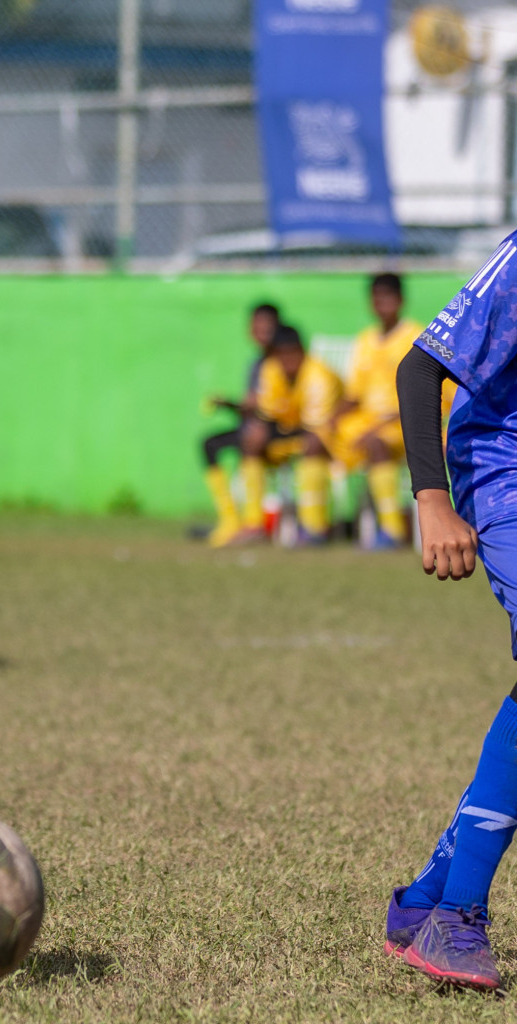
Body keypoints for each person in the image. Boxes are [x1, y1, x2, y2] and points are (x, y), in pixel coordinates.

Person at [384, 233, 517, 991]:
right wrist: (431, 500)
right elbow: (419, 366)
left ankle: (431, 897)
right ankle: (456, 918)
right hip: (501, 468)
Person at [328, 274, 423, 548]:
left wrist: (380, 425)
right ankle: (317, 526)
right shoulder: (365, 340)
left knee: (375, 443)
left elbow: (429, 395)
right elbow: (354, 396)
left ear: (401, 300)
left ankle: (393, 530)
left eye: (388, 296)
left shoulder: (416, 336)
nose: (382, 303)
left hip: (406, 422)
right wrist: (330, 420)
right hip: (368, 421)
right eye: (376, 297)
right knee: (317, 439)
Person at [237, 326, 343, 544]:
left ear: (302, 351)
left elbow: (316, 426)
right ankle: (254, 525)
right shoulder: (271, 369)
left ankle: (315, 527)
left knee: (312, 443)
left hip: (333, 437)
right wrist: (258, 429)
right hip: (294, 432)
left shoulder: (319, 375)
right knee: (252, 441)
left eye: (292, 355)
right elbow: (269, 414)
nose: (287, 362)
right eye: (282, 356)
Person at [200, 303, 280, 547]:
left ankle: (254, 523)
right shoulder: (255, 364)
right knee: (209, 445)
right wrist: (227, 404)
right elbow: (250, 406)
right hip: (254, 427)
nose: (261, 330)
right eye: (257, 325)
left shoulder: (281, 361)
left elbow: (274, 406)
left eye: (267, 325)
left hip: (278, 430)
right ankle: (229, 519)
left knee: (251, 438)